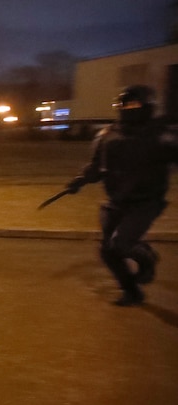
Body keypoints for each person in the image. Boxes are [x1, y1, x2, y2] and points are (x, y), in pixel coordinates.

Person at [64, 85, 177, 306]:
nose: (130, 109)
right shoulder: (107, 135)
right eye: (126, 104)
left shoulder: (161, 134)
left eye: (135, 104)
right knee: (108, 252)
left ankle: (147, 257)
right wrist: (79, 181)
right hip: (115, 202)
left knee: (121, 245)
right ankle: (132, 291)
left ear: (148, 105)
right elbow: (97, 166)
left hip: (146, 202)